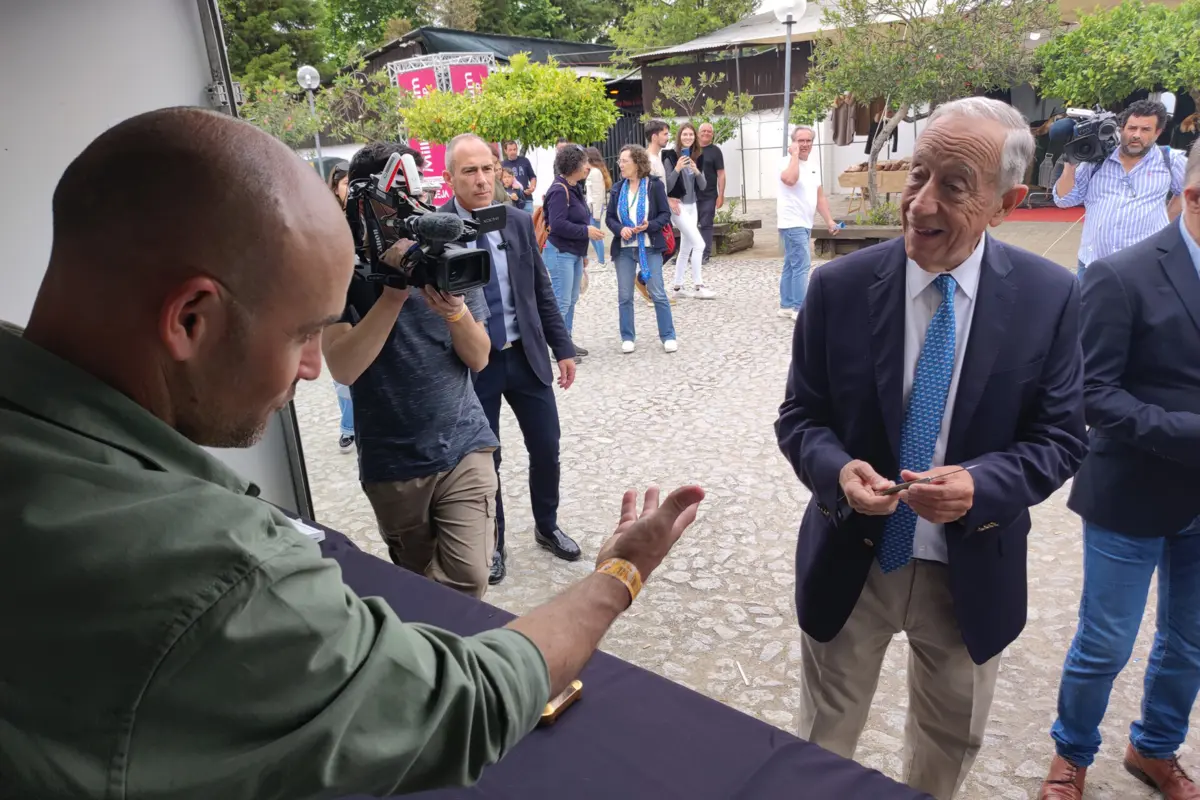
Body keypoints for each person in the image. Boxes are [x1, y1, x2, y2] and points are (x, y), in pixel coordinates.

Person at [0, 106, 706, 799]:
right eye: (301, 334)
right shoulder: (216, 575)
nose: (311, 368)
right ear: (191, 319)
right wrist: (622, 571)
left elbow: (478, 348)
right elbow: (461, 705)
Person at [775, 97, 1088, 800]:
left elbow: (1063, 436)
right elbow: (801, 417)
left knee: (948, 746)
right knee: (824, 736)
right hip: (853, 560)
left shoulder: (1050, 298)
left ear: (1006, 203)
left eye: (954, 184)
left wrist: (984, 485)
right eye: (917, 175)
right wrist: (836, 470)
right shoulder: (837, 288)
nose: (920, 203)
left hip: (971, 569)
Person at [1038, 139, 1200, 800]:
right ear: (1192, 197)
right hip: (1129, 493)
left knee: (1189, 645)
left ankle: (1154, 748)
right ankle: (1071, 754)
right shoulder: (1120, 274)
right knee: (1106, 642)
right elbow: (1090, 396)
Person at [323, 140, 497, 599]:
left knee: (470, 576)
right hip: (394, 463)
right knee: (421, 585)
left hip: (465, 445)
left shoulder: (445, 256)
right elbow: (342, 366)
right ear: (366, 201)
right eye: (398, 198)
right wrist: (393, 295)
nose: (409, 208)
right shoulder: (340, 272)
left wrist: (455, 312)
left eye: (416, 194)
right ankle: (433, 650)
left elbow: (479, 356)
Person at [441, 134, 581, 586]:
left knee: (547, 447)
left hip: (526, 357)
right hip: (472, 364)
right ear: (449, 178)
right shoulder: (434, 228)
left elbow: (540, 289)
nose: (481, 180)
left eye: (487, 169)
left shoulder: (518, 221)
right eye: (469, 171)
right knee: (486, 462)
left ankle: (546, 525)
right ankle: (493, 544)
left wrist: (562, 349)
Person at [1054, 99, 1188, 282]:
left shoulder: (1169, 160)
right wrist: (1070, 164)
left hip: (1146, 267)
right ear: (1122, 128)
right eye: (1132, 128)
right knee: (1089, 311)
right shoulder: (1096, 161)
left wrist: (1168, 221)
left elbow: (1190, 191)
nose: (1137, 135)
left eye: (1145, 129)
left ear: (1157, 132)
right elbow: (1064, 200)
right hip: (1094, 265)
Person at [607, 144, 677, 354]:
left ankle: (668, 335)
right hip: (625, 249)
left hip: (650, 246)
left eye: (624, 161)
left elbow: (665, 214)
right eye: (620, 161)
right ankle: (627, 336)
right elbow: (610, 218)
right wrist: (621, 230)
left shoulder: (654, 186)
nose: (620, 164)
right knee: (625, 295)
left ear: (637, 163)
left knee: (658, 292)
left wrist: (650, 226)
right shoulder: (618, 188)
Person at [542, 144, 604, 353]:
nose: (588, 167)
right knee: (562, 301)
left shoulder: (574, 187)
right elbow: (558, 225)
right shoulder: (559, 190)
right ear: (573, 166)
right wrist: (586, 232)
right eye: (584, 163)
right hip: (560, 253)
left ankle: (566, 341)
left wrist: (583, 253)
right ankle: (558, 349)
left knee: (571, 299)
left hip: (573, 253)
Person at [777, 125, 839, 321]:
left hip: (805, 222)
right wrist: (794, 156)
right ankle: (799, 308)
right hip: (791, 222)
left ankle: (786, 305)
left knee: (791, 264)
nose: (804, 144)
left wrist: (829, 220)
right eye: (800, 140)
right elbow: (790, 180)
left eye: (808, 141)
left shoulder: (813, 167)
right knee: (802, 265)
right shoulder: (785, 163)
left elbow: (819, 197)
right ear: (793, 143)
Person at [663, 123, 716, 300]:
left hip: (693, 206)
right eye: (684, 134)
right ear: (679, 137)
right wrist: (677, 168)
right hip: (678, 207)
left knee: (686, 248)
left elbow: (703, 186)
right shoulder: (670, 156)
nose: (688, 137)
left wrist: (696, 171)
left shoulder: (697, 157)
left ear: (695, 137)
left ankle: (677, 288)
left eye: (691, 135)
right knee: (699, 244)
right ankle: (698, 286)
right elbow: (667, 185)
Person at [326, 160, 355, 453]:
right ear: (335, 188)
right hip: (337, 301)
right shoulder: (328, 222)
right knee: (342, 375)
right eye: (348, 184)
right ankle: (348, 427)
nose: (353, 190)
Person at [696, 122, 726, 264]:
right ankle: (687, 253)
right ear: (698, 133)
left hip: (709, 195)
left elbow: (721, 174)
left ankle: (705, 253)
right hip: (690, 195)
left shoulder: (715, 151)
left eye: (709, 131)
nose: (706, 133)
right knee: (689, 225)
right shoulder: (691, 149)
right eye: (704, 131)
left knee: (706, 224)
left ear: (712, 135)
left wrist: (721, 194)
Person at [585, 146, 612, 266]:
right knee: (593, 234)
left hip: (594, 209)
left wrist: (596, 214)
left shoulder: (595, 173)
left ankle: (601, 260)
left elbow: (597, 194)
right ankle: (600, 259)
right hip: (593, 208)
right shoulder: (594, 171)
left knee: (596, 235)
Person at [501, 140, 536, 205]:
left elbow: (532, 177)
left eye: (514, 149)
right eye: (510, 150)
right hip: (511, 201)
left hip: (527, 199)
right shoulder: (503, 164)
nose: (513, 152)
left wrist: (532, 188)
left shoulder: (525, 161)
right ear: (505, 151)